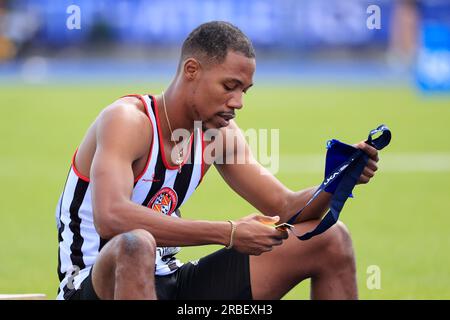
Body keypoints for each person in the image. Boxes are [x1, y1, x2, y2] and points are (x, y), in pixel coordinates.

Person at [55, 21, 379, 300]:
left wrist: (336, 180)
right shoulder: (127, 120)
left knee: (331, 239)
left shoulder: (219, 134)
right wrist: (229, 232)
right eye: (229, 86)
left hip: (171, 282)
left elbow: (285, 205)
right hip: (93, 284)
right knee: (136, 244)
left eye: (244, 91)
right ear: (192, 70)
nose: (237, 102)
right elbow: (111, 218)